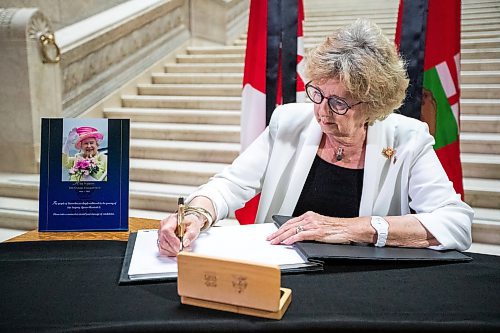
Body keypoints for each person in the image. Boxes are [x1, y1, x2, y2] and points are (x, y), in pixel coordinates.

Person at [157, 19, 473, 256]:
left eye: (339, 102)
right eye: (317, 93)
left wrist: (354, 227)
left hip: (364, 286)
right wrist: (196, 214)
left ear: (373, 105)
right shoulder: (290, 122)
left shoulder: (407, 139)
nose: (321, 112)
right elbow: (229, 185)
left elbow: (456, 224)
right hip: (282, 274)